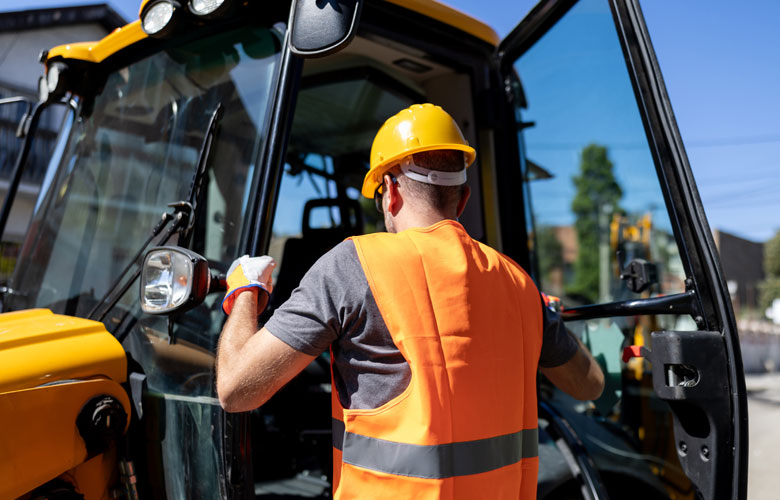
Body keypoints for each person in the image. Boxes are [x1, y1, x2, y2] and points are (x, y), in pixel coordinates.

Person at [216, 103, 604, 499]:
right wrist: (543, 318)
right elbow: (589, 385)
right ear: (463, 197)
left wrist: (245, 291)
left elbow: (235, 390)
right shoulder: (519, 285)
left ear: (392, 192)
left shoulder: (352, 266)